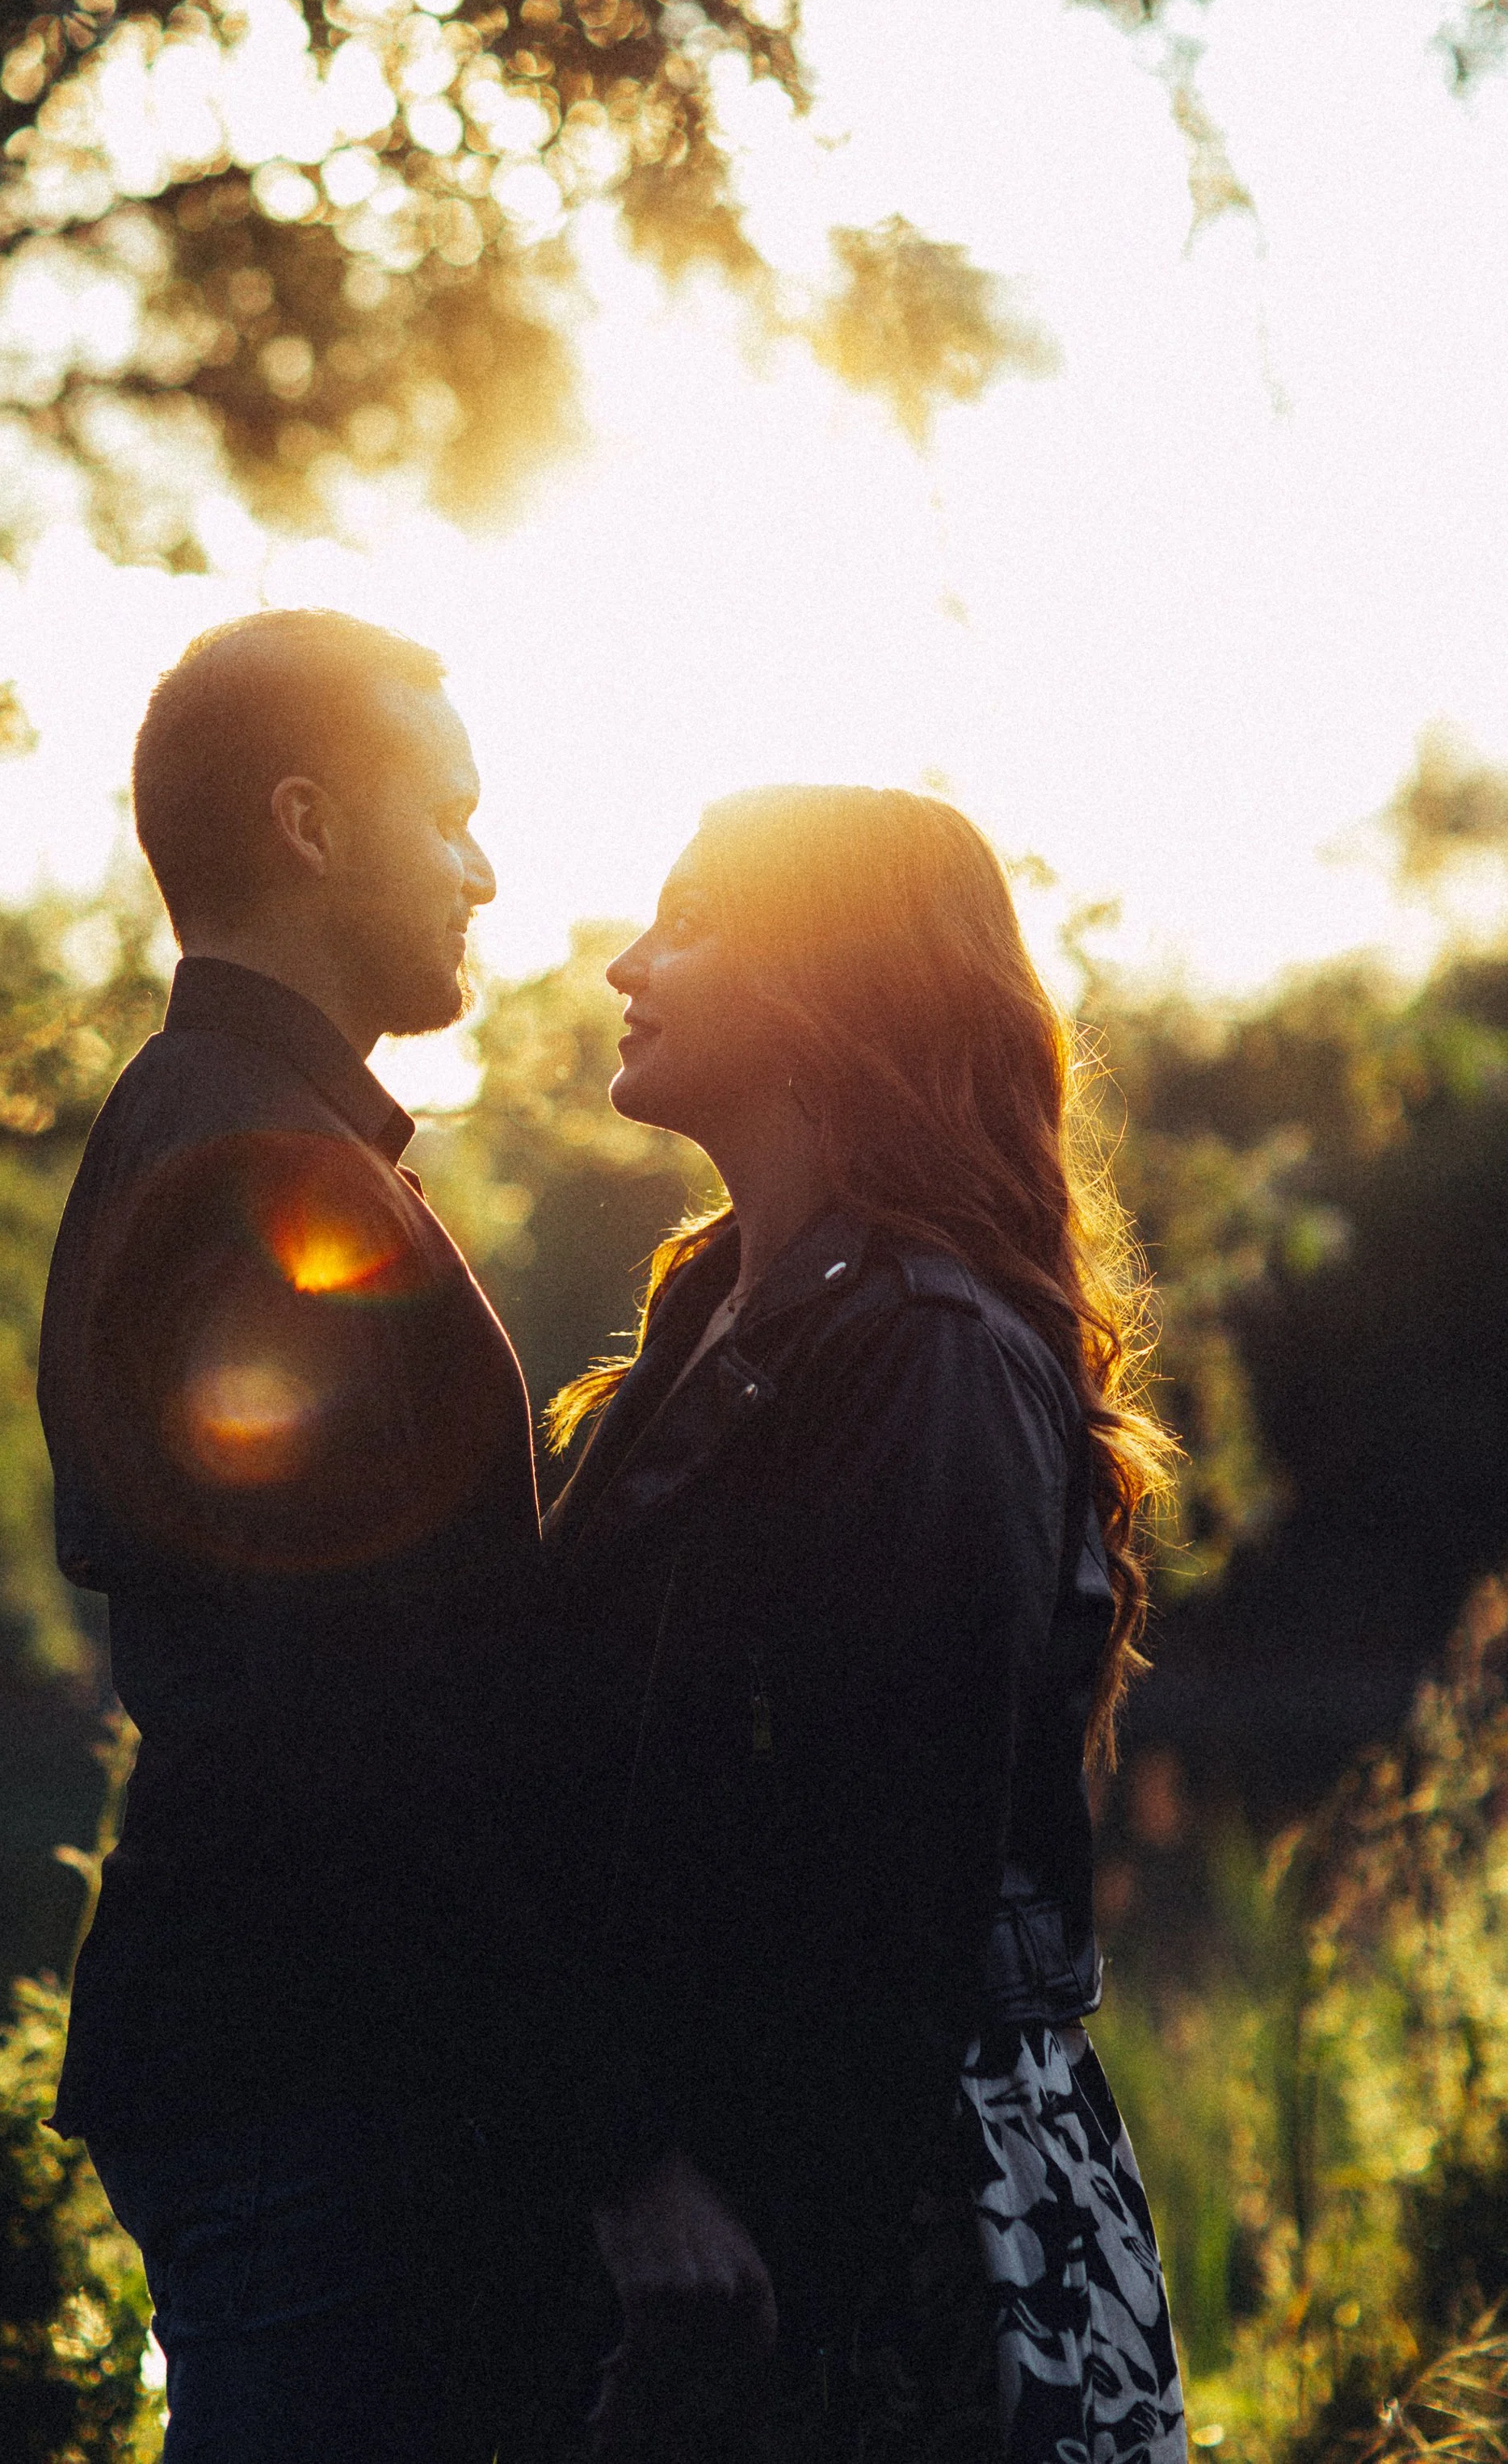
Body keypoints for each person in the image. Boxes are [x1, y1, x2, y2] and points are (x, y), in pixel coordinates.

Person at [540, 784, 1187, 2464]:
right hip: (713, 2194)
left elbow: (881, 1882)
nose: (625, 961)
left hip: (884, 2221)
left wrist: (740, 2250)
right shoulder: (711, 1304)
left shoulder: (926, 1352)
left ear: (826, 977)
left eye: (687, 919)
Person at [38, 608, 543, 2464]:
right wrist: (608, 2134)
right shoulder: (254, 1183)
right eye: (453, 814)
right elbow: (355, 1720)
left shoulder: (223, 1131)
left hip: (305, 2071)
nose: (485, 869)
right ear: (313, 824)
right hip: (321, 2090)